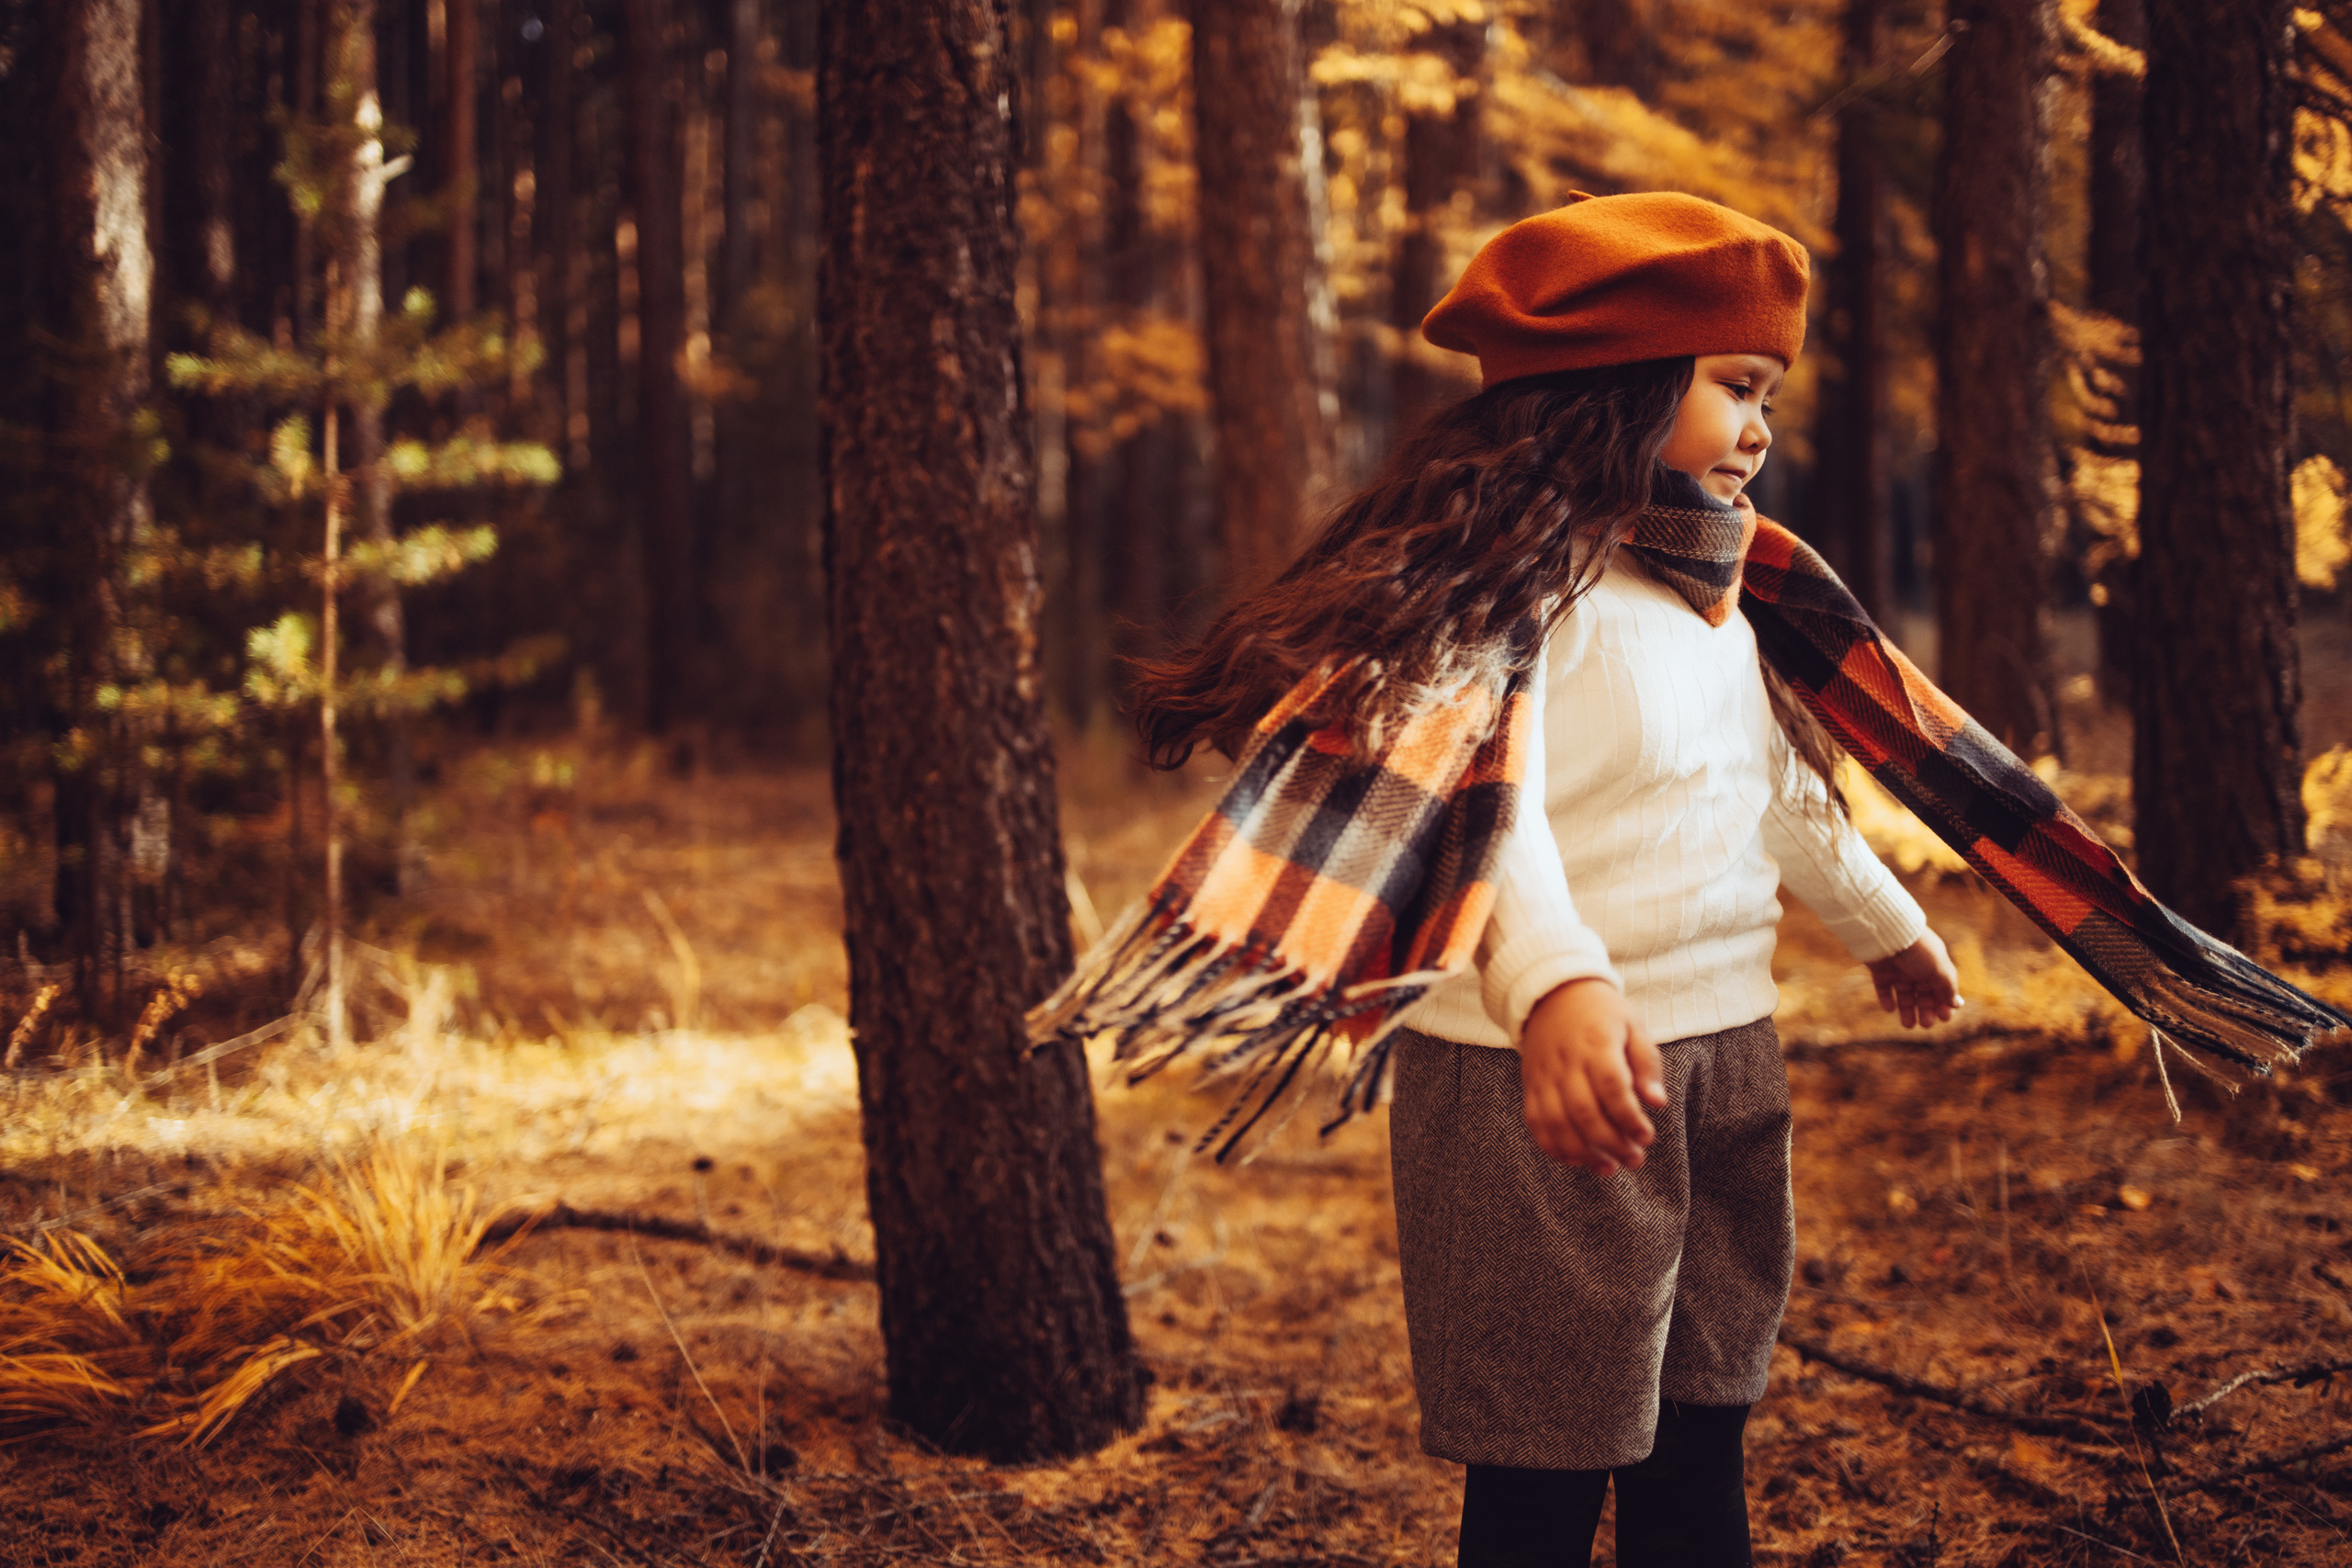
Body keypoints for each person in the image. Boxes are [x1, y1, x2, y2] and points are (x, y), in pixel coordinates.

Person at [1029, 191, 2346, 1568]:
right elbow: (1487, 817)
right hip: (1538, 1082)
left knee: (1702, 1422)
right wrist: (1555, 989)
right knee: (1545, 1460)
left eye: (1767, 391)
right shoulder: (1508, 593)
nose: (1763, 430)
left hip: (1725, 1052)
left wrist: (1881, 922)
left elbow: (1761, 781)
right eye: (1735, 387)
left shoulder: (1722, 593)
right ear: (1615, 386)